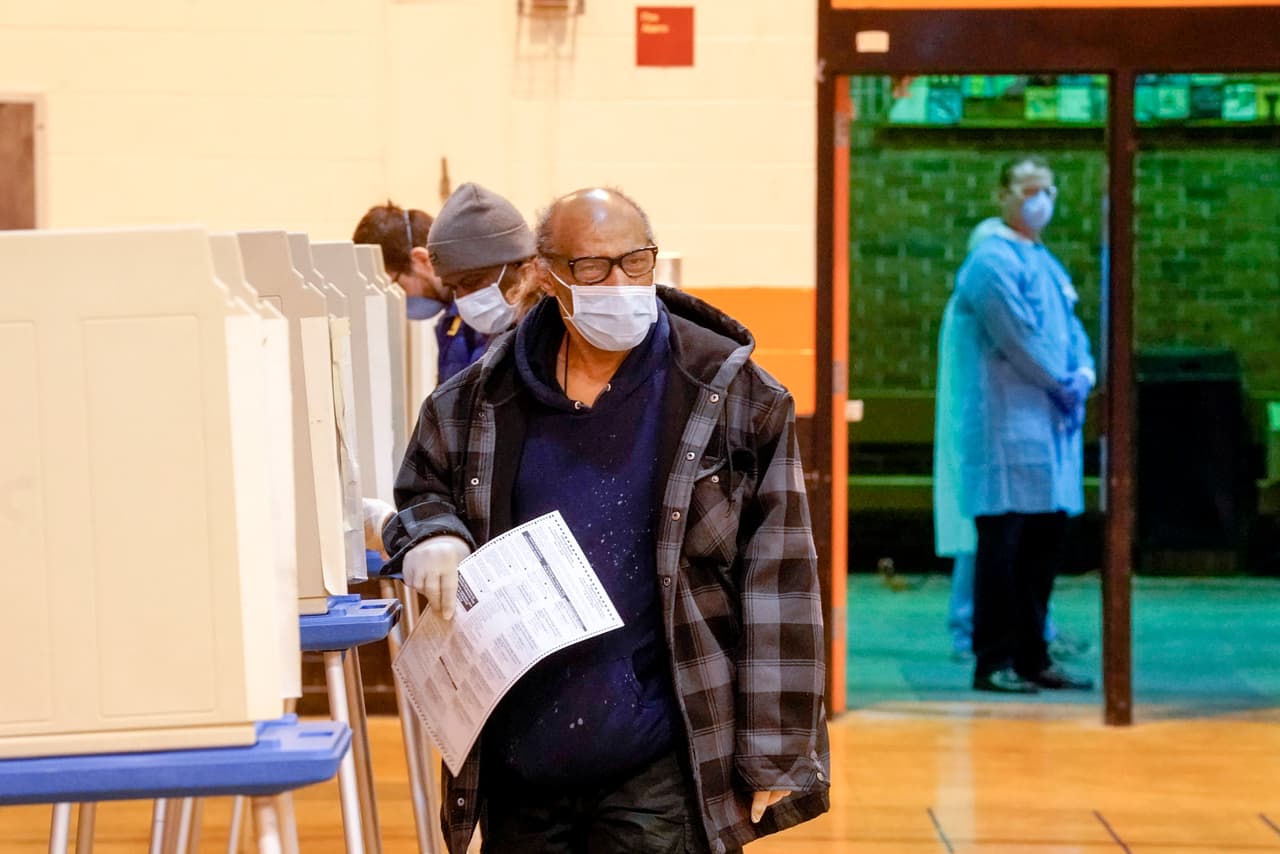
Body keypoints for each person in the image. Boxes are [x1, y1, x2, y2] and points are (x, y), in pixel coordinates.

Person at [381, 187, 830, 853]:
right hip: (518, 758)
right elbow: (422, 492)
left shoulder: (730, 395)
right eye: (591, 267)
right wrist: (433, 535)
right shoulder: (477, 400)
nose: (617, 283)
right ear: (547, 272)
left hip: (658, 755)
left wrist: (776, 746)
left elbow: (781, 579)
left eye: (635, 261)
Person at [950, 156, 1096, 694]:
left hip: (1049, 426)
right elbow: (1019, 338)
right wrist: (1062, 380)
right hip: (1007, 430)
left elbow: (1072, 330)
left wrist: (1083, 372)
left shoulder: (1045, 262)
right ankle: (994, 660)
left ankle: (1034, 656)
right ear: (1003, 194)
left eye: (1049, 191)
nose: (1042, 201)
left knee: (1041, 554)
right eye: (1030, 190)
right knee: (1004, 554)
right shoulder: (990, 263)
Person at [353, 201, 488, 383]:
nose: (398, 299)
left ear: (421, 260)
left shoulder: (481, 314)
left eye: (395, 284)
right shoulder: (448, 324)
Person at [427, 182, 543, 334]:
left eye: (471, 281)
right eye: (453, 288)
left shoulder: (562, 333)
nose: (463, 298)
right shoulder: (508, 337)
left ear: (521, 265)